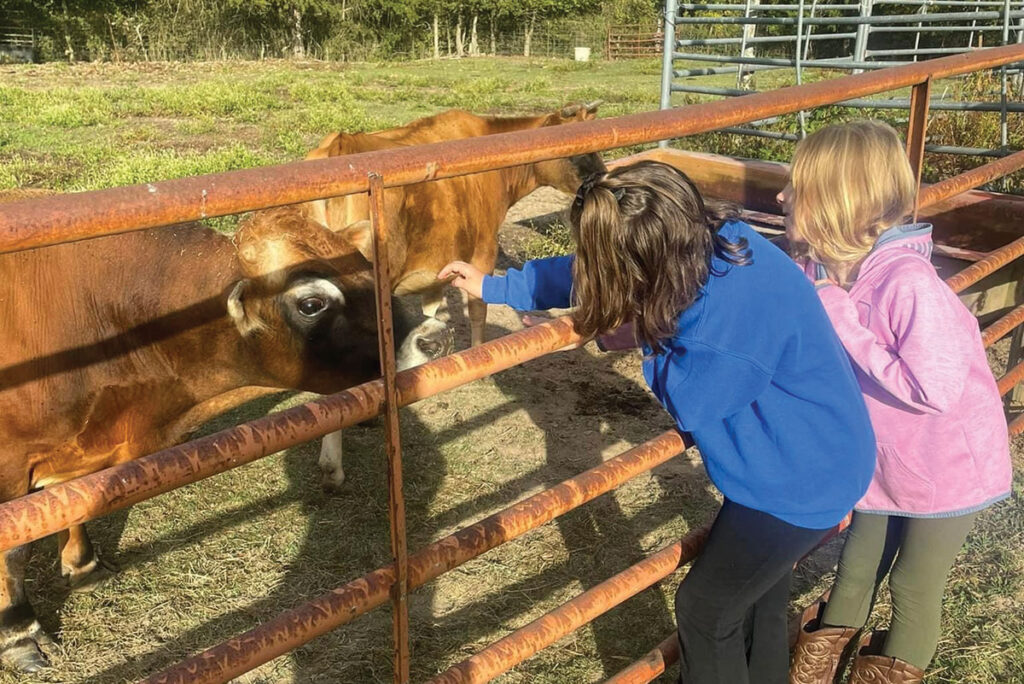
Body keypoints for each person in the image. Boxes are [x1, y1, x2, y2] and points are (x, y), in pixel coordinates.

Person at [439, 160, 876, 684]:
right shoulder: (721, 244)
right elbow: (598, 273)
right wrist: (498, 286)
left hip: (798, 482)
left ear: (643, 264)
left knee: (705, 609)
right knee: (757, 597)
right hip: (800, 457)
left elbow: (692, 400)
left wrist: (632, 334)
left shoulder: (721, 324)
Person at [781, 120, 1013, 684]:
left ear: (841, 202)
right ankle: (812, 673)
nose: (782, 195)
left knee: (912, 583)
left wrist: (838, 314)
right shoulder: (826, 270)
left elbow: (933, 389)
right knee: (855, 568)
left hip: (947, 466)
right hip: (886, 461)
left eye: (797, 186)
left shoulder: (908, 282)